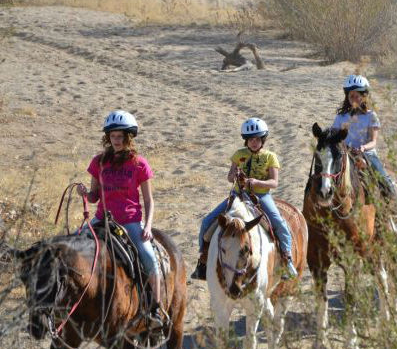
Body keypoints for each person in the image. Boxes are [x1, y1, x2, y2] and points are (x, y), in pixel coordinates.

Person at [76, 110, 166, 327]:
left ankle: (156, 309)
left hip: (130, 221)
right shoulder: (98, 162)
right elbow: (94, 195)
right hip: (102, 219)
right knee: (74, 248)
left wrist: (149, 226)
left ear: (128, 138)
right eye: (113, 136)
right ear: (108, 137)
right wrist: (84, 194)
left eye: (120, 137)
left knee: (149, 260)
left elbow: (149, 200)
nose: (116, 140)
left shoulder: (139, 164)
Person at [192, 117, 297, 281]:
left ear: (263, 140)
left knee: (280, 224)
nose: (254, 142)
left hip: (261, 196)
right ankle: (202, 262)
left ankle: (287, 260)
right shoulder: (238, 155)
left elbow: (274, 182)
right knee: (207, 222)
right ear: (246, 141)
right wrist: (235, 176)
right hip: (237, 196)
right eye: (250, 139)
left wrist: (257, 182)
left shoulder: (270, 157)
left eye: (257, 139)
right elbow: (229, 177)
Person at [331, 74, 397, 198]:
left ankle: (391, 195)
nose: (354, 98)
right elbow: (334, 136)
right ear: (347, 97)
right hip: (345, 153)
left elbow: (373, 141)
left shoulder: (371, 116)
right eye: (351, 95)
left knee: (383, 180)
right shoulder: (340, 117)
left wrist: (362, 148)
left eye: (357, 95)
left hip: (367, 154)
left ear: (364, 96)